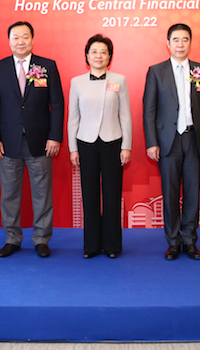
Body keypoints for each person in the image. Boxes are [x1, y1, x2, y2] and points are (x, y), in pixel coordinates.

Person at [0, 21, 64, 258]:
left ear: (32, 39)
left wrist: (54, 136)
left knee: (42, 193)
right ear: (9, 41)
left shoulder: (47, 66)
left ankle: (41, 239)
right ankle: (12, 238)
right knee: (9, 193)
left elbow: (57, 104)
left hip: (40, 141)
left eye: (25, 37)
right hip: (8, 142)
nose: (20, 42)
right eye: (15, 38)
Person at [143, 24, 200, 260]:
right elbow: (149, 110)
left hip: (195, 138)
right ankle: (173, 241)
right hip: (168, 140)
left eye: (185, 39)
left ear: (190, 43)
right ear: (168, 43)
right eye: (175, 40)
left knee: (193, 192)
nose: (180, 44)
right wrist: (152, 142)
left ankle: (190, 241)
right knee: (170, 192)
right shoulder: (156, 71)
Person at [68, 34, 132, 258]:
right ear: (87, 55)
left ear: (110, 56)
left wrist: (127, 146)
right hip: (86, 142)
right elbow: (73, 118)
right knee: (90, 195)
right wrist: (72, 148)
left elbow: (125, 116)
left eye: (103, 52)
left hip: (113, 141)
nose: (98, 55)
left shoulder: (119, 80)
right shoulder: (77, 82)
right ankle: (91, 245)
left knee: (112, 195)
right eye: (94, 51)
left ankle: (113, 245)